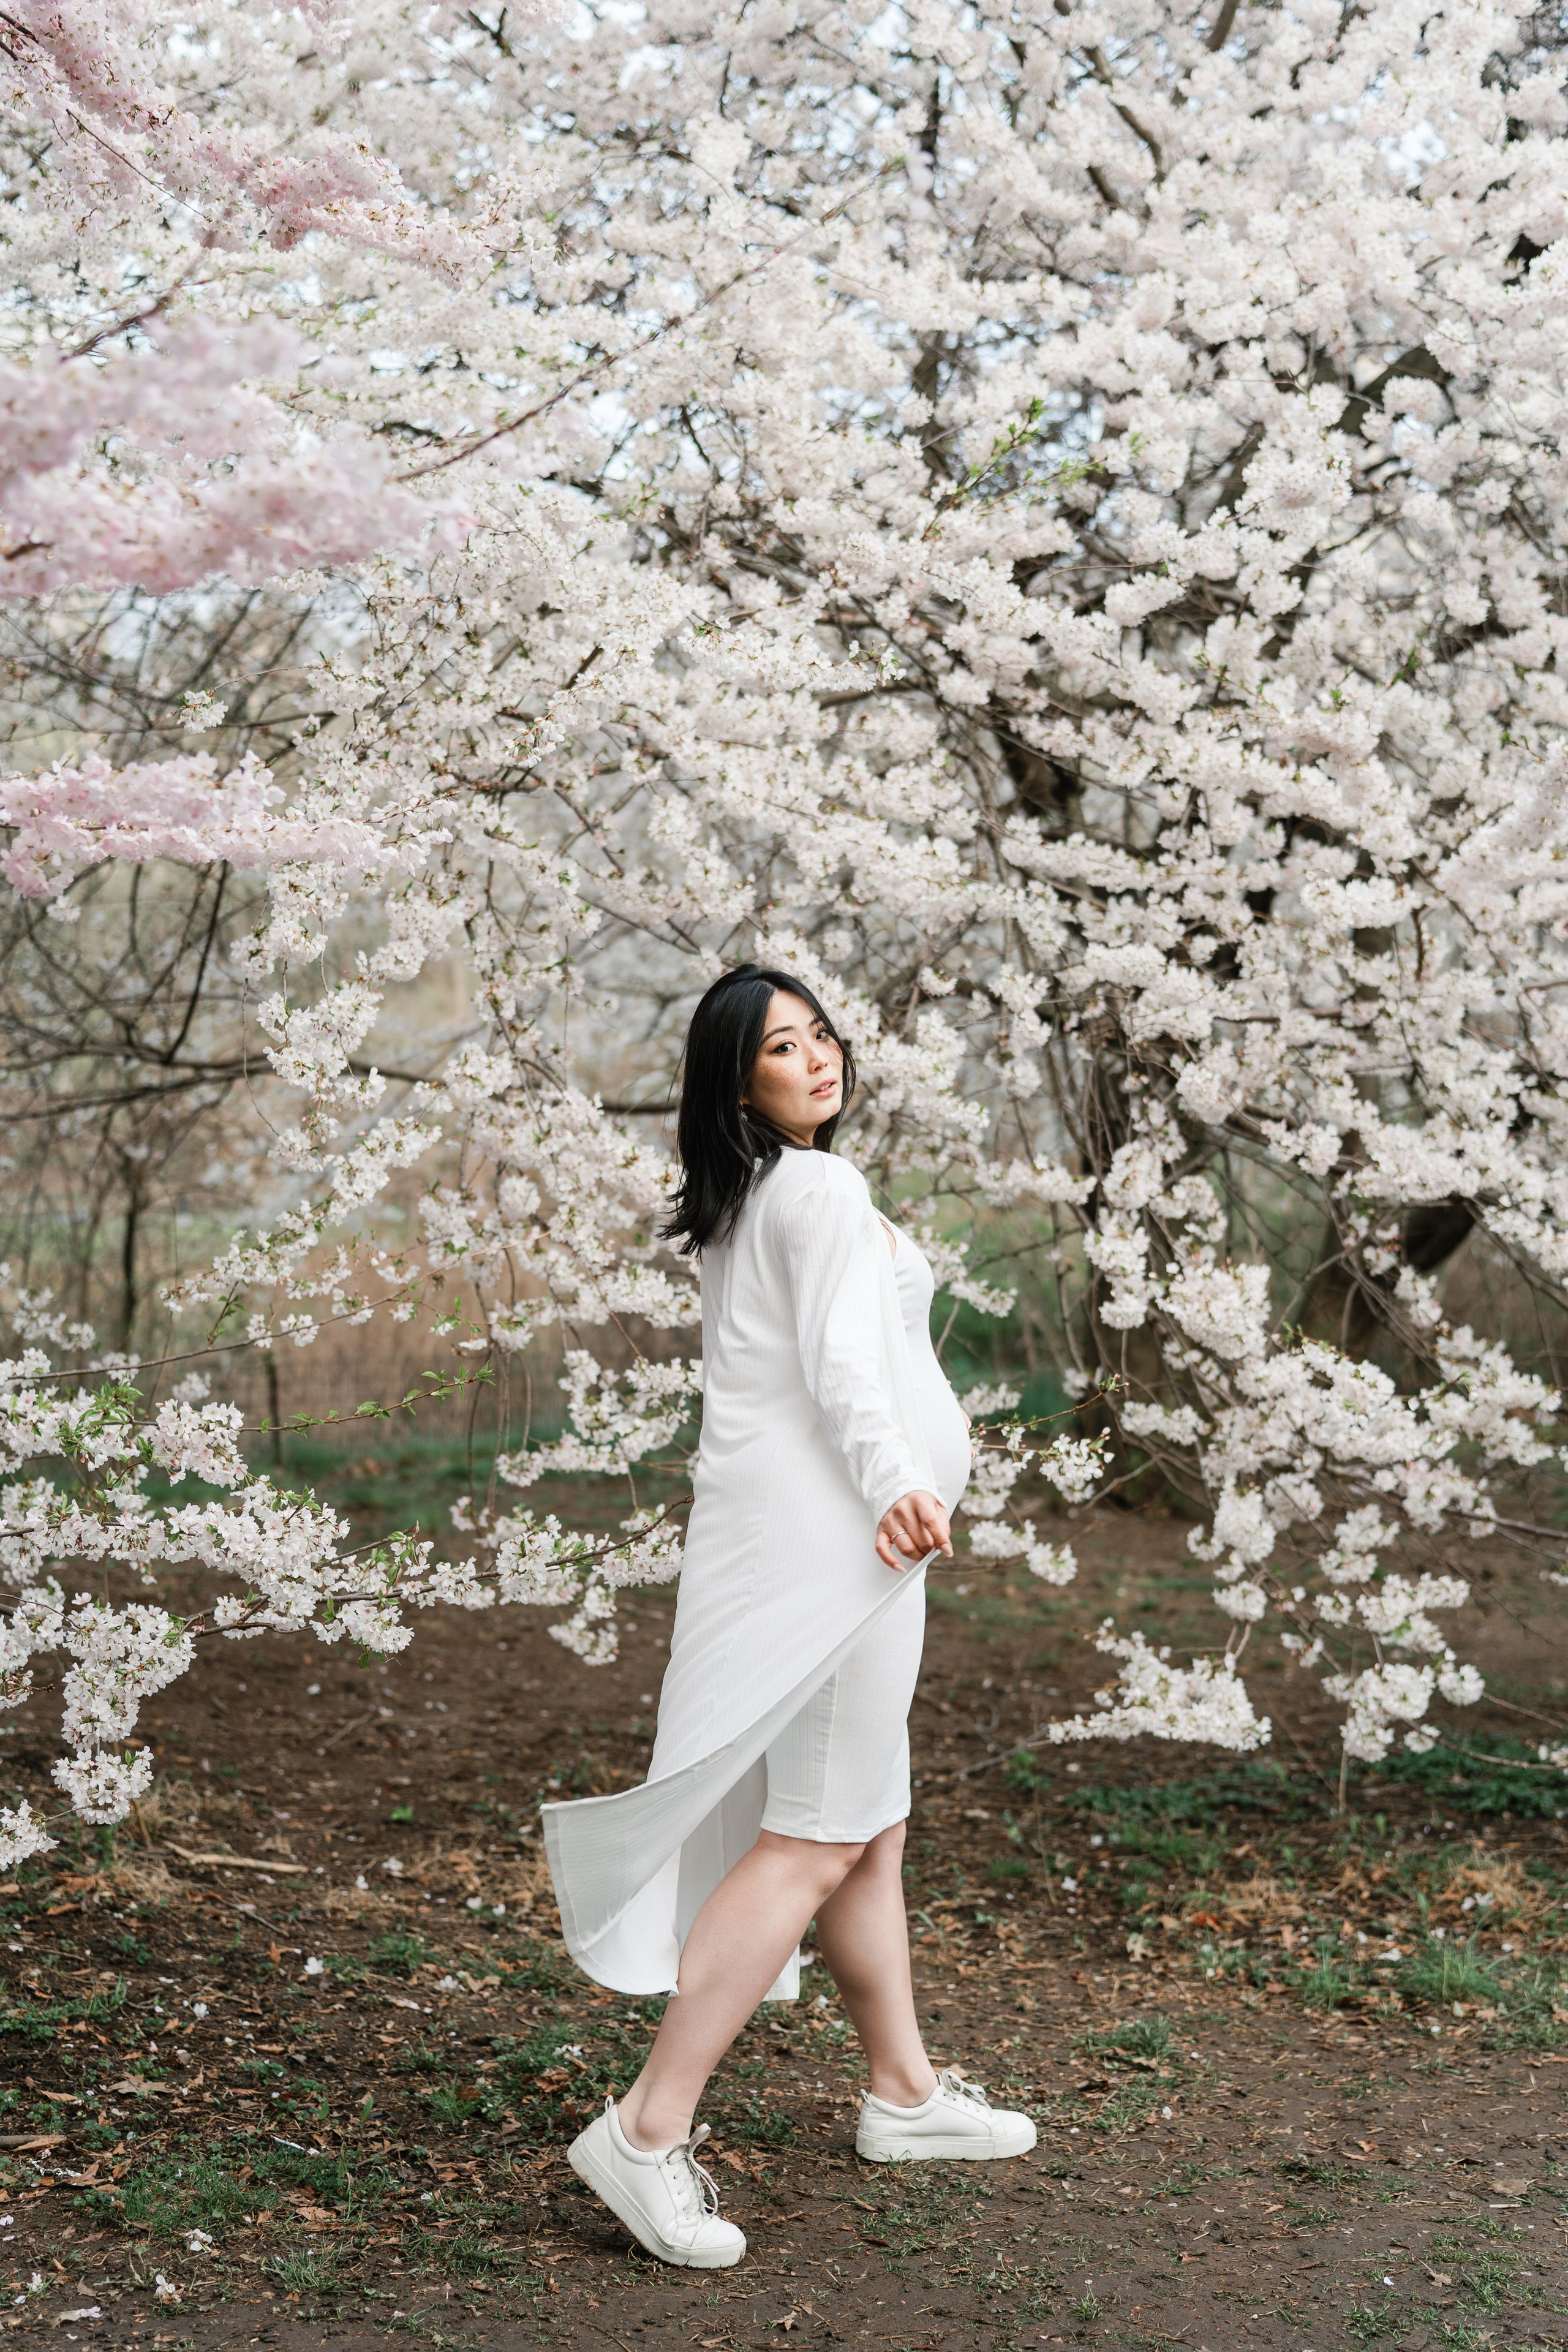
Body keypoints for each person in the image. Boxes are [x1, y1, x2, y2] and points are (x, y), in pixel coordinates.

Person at [541, 963, 1035, 2269]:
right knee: (815, 1838)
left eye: (820, 1033)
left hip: (820, 1548)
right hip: (840, 1552)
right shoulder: (813, 1187)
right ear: (735, 1083)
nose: (815, 1058)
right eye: (778, 1048)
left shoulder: (755, 1195)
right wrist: (898, 1487)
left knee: (865, 1828)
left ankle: (904, 2095)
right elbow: (839, 1370)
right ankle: (644, 2135)